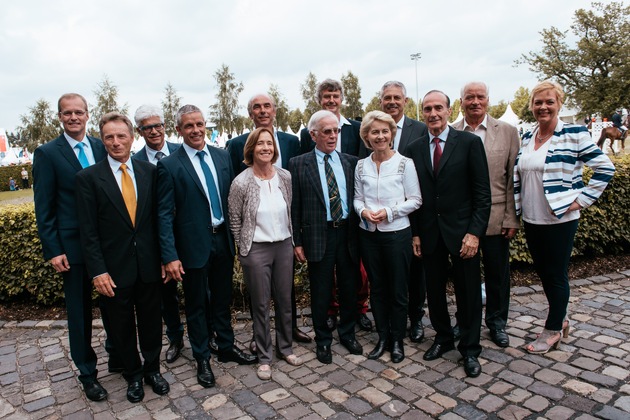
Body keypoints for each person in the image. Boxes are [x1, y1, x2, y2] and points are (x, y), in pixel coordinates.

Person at [157, 105, 256, 388]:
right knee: (198, 304)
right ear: (179, 130)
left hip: (222, 240)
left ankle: (225, 347)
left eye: (199, 124)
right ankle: (201, 356)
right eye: (189, 126)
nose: (196, 130)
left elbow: (233, 199)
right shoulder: (169, 165)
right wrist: (170, 255)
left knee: (222, 300)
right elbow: (163, 214)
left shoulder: (222, 156)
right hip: (191, 247)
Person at [515, 81, 615, 354]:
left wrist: (580, 200)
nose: (543, 107)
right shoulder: (527, 137)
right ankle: (562, 318)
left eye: (549, 102)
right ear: (532, 106)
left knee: (556, 274)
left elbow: (605, 168)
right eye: (538, 102)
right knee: (546, 274)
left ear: (559, 104)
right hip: (532, 218)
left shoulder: (574, 133)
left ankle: (553, 328)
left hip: (560, 219)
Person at [76, 112, 169, 403]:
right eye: (109, 137)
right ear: (102, 140)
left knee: (153, 321)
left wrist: (167, 258)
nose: (116, 142)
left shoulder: (151, 172)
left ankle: (153, 369)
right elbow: (88, 232)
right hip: (113, 271)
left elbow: (160, 220)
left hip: (150, 265)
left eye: (121, 136)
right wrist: (98, 272)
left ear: (132, 137)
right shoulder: (88, 179)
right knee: (121, 326)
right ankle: (133, 374)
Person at [407, 90, 491, 378]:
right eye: (427, 109)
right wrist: (416, 233)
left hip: (462, 234)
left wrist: (475, 233)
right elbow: (414, 195)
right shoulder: (415, 149)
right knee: (435, 291)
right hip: (430, 234)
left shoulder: (468, 143)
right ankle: (442, 338)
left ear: (448, 109)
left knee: (468, 293)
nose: (433, 114)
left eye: (438, 108)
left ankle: (470, 348)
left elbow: (482, 193)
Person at [33, 93, 110, 401]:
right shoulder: (48, 153)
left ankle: (117, 355)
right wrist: (53, 249)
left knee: (113, 303)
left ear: (88, 114)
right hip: (73, 245)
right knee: (79, 312)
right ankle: (87, 373)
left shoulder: (101, 146)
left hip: (108, 242)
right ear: (60, 117)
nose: (74, 117)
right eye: (68, 113)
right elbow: (44, 205)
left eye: (79, 112)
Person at [227, 93, 311, 348]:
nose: (262, 111)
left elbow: (295, 187)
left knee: (286, 293)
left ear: (274, 110)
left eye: (267, 106)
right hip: (257, 237)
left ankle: (291, 331)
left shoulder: (290, 141)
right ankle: (259, 338)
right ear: (250, 113)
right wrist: (242, 244)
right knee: (260, 296)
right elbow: (237, 196)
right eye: (256, 107)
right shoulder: (235, 145)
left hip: (283, 233)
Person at [289, 110, 363, 364]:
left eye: (336, 131)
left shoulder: (351, 162)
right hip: (318, 236)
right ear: (313, 135)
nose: (333, 136)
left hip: (348, 234)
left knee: (349, 286)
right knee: (320, 290)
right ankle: (323, 340)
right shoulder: (298, 164)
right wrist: (297, 241)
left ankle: (348, 333)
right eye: (327, 131)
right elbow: (295, 206)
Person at [300, 79, 372, 333]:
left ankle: (351, 323)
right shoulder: (302, 156)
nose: (332, 100)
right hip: (320, 227)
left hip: (349, 226)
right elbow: (302, 193)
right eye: (327, 96)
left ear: (342, 98)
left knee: (353, 278)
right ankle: (325, 325)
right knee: (321, 283)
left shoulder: (354, 139)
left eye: (336, 96)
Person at [453, 82, 520, 348]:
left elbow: (514, 177)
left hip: (496, 217)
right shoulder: (452, 132)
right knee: (464, 278)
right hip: (462, 221)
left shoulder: (507, 132)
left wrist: (512, 218)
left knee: (497, 275)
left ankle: (497, 322)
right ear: (461, 103)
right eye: (470, 97)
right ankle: (465, 321)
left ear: (488, 101)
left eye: (480, 97)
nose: (475, 102)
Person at [354, 111, 421, 363]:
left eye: (385, 131)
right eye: (375, 132)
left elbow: (416, 199)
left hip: (397, 234)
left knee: (398, 289)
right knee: (378, 287)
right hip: (369, 235)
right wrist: (363, 211)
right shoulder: (362, 165)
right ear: (367, 137)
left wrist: (390, 212)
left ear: (391, 134)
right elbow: (357, 197)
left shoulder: (405, 163)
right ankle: (382, 336)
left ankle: (396, 340)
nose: (380, 136)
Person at [132, 105, 184, 364]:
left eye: (158, 125)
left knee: (202, 288)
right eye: (147, 127)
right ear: (139, 131)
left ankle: (208, 333)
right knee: (167, 293)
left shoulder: (181, 150)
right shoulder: (135, 162)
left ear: (165, 126)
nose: (154, 131)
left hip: (187, 232)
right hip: (157, 236)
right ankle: (176, 338)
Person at [380, 80, 428, 343]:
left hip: (414, 213)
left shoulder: (420, 129)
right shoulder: (372, 128)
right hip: (382, 220)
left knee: (415, 272)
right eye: (387, 98)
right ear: (381, 102)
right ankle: (389, 319)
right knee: (387, 274)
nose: (392, 102)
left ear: (405, 101)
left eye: (397, 97)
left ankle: (416, 318)